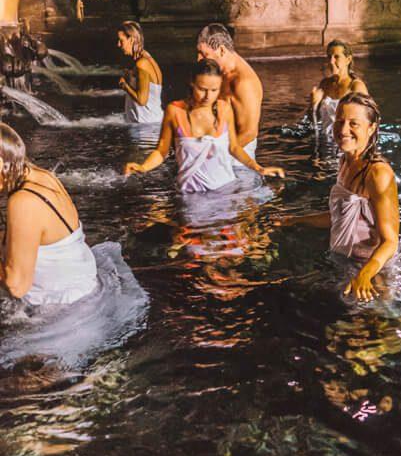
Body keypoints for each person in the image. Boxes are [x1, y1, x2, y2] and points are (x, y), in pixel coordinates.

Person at [284, 93, 399, 302]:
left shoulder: (378, 173)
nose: (343, 130)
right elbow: (342, 217)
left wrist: (365, 274)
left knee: (379, 327)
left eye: (354, 123)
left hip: (375, 271)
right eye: (339, 121)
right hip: (344, 261)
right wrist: (293, 221)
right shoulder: (345, 160)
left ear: (371, 127)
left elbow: (390, 241)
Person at [0, 124, 126, 306]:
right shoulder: (40, 176)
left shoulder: (24, 201)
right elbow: (38, 238)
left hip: (63, 312)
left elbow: (17, 285)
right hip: (85, 290)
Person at [124, 59, 284, 192]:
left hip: (227, 191)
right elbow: (161, 151)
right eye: (202, 89)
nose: (208, 96)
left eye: (214, 90)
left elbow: (234, 148)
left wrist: (258, 168)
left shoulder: (224, 109)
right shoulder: (175, 111)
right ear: (192, 83)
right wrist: (143, 167)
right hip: (192, 196)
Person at [196, 23, 262, 166]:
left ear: (221, 50)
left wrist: (212, 156)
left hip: (237, 163)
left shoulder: (243, 81)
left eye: (204, 54)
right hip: (219, 154)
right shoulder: (219, 72)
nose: (199, 59)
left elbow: (250, 133)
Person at [310, 40, 368, 138]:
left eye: (336, 57)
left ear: (348, 60)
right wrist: (313, 104)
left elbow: (367, 120)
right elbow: (313, 120)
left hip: (345, 140)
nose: (331, 61)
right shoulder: (324, 84)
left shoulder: (356, 87)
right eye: (329, 57)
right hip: (325, 140)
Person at [117, 21, 163, 124]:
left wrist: (125, 86)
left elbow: (142, 101)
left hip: (146, 126)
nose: (118, 44)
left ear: (132, 39)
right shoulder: (147, 58)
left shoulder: (142, 64)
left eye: (121, 41)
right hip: (150, 122)